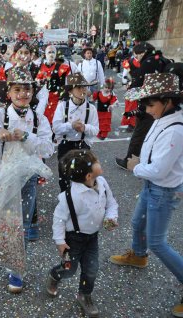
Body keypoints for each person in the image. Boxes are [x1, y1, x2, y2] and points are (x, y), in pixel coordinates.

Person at [0, 69, 53, 293]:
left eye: (27, 89)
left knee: (22, 226)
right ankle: (4, 254)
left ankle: (16, 271)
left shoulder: (38, 118)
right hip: (4, 178)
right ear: (9, 92)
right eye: (17, 89)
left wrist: (28, 137)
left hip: (28, 180)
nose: (23, 94)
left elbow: (48, 147)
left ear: (33, 91)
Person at [109, 73, 183, 317]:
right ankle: (139, 256)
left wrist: (136, 167)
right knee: (137, 222)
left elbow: (160, 170)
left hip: (162, 189)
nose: (147, 110)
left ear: (168, 101)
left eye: (150, 104)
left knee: (158, 242)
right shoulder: (163, 117)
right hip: (152, 185)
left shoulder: (175, 130)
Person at [46, 149, 118, 317]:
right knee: (69, 269)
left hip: (92, 237)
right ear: (88, 176)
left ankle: (84, 295)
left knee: (92, 269)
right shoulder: (71, 197)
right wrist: (60, 241)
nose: (99, 161)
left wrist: (111, 217)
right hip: (73, 239)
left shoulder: (102, 183)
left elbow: (111, 203)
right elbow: (58, 219)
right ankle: (54, 275)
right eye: (96, 161)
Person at [115, 42, 171, 170]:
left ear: (142, 52)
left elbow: (138, 82)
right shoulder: (162, 59)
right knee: (155, 133)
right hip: (164, 103)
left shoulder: (148, 62)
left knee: (139, 134)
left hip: (149, 103)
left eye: (137, 55)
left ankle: (130, 161)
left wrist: (131, 83)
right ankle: (151, 160)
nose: (137, 58)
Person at [53, 73, 99, 191]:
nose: (83, 90)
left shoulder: (91, 108)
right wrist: (71, 126)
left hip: (83, 145)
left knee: (82, 177)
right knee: (64, 176)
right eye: (79, 87)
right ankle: (66, 199)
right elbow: (56, 127)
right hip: (65, 145)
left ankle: (80, 201)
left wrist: (85, 128)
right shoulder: (62, 106)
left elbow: (95, 130)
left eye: (84, 87)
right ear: (70, 92)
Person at [36, 45, 71, 125]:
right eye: (49, 52)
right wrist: (40, 81)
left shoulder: (61, 67)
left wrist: (62, 97)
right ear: (45, 54)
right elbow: (37, 79)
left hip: (55, 96)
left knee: (54, 117)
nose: (51, 54)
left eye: (53, 52)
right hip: (43, 96)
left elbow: (64, 83)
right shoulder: (41, 67)